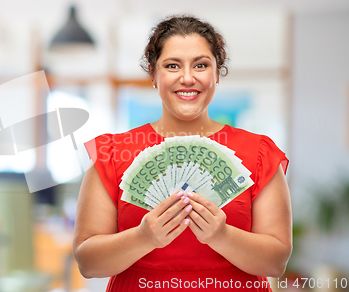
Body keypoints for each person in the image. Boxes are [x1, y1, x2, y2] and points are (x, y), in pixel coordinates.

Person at [73, 15, 292, 291]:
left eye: (201, 65)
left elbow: (276, 262)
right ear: (153, 74)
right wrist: (143, 237)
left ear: (216, 73)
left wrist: (222, 235)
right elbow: (87, 263)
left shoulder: (260, 153)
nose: (187, 78)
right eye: (172, 65)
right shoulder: (111, 154)